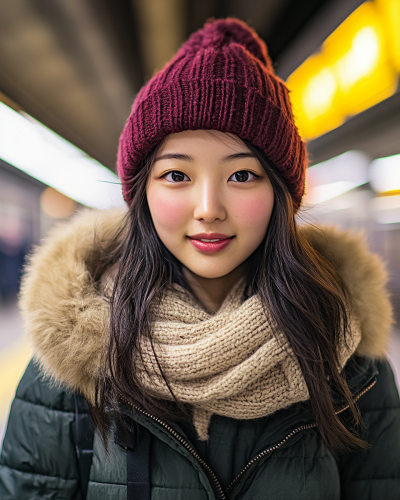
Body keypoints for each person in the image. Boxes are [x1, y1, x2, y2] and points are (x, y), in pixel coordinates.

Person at [1, 17, 400, 500]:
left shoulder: (349, 361)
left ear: (281, 195)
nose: (209, 208)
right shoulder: (77, 358)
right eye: (176, 176)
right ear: (142, 192)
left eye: (242, 176)